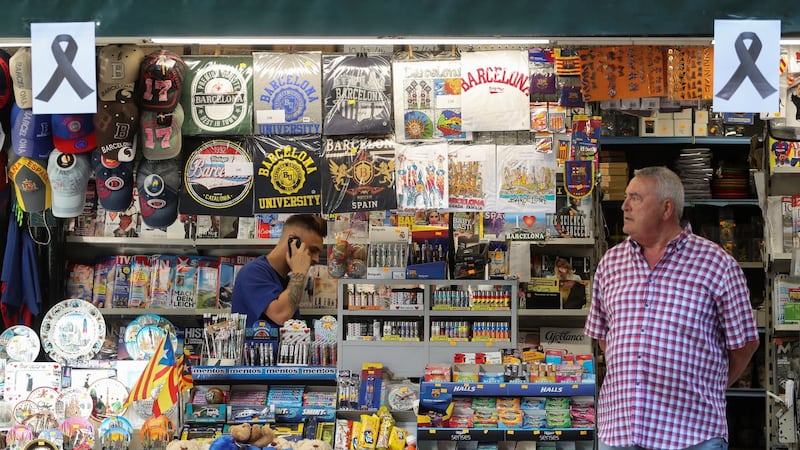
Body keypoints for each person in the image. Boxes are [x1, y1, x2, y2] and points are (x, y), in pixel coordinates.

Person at [584, 166, 759, 450]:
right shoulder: (610, 263)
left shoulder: (716, 265)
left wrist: (709, 386)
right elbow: (604, 335)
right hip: (620, 434)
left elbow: (745, 344)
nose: (624, 206)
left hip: (692, 436)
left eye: (636, 198)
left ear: (667, 208)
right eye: (627, 197)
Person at [232, 214, 327, 329]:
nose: (316, 259)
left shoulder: (286, 281)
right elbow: (281, 315)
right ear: (292, 241)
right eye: (312, 250)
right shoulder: (252, 272)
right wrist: (299, 273)